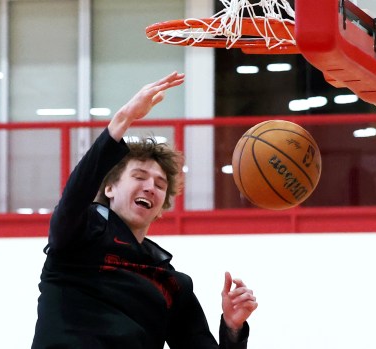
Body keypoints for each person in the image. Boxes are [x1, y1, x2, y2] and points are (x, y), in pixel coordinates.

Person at [31, 72, 258, 349]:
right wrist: (123, 119)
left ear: (162, 205)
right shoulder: (78, 236)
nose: (150, 187)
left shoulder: (173, 284)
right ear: (110, 189)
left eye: (160, 184)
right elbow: (73, 199)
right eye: (139, 177)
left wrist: (233, 329)